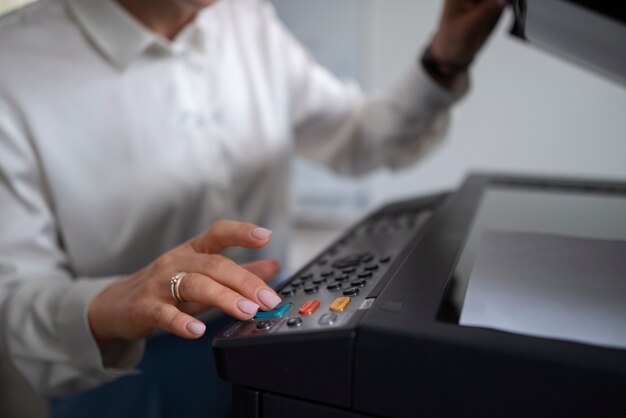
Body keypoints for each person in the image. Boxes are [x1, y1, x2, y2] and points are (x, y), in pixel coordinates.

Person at [0, 0, 506, 416]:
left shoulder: (244, 17)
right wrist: (116, 304)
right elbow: (15, 302)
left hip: (278, 333)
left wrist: (445, 59)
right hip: (126, 375)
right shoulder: (13, 63)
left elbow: (356, 139)